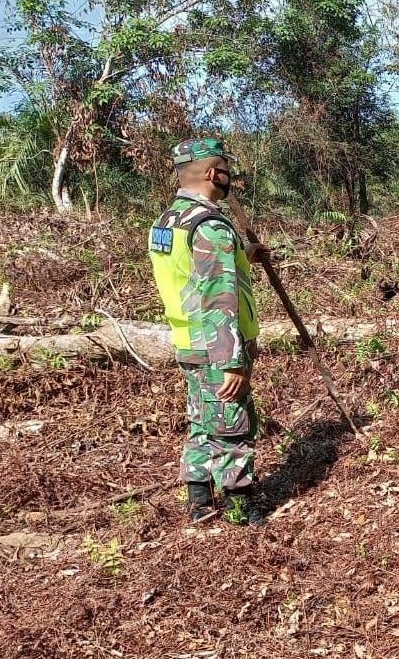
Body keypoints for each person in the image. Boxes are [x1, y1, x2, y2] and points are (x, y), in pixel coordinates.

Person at [147, 138, 268, 526]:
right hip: (217, 346)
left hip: (188, 341)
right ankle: (239, 506)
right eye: (226, 170)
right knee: (231, 423)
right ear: (214, 174)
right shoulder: (210, 226)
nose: (229, 178)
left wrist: (245, 254)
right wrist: (232, 361)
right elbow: (217, 297)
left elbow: (193, 272)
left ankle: (199, 500)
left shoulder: (168, 222)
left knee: (201, 420)